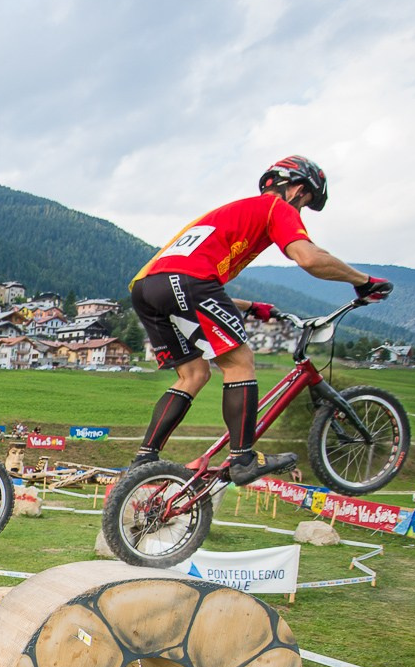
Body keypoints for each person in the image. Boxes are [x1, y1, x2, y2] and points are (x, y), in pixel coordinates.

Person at [128, 156, 392, 484]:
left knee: (193, 374)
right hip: (187, 281)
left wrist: (249, 305)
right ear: (296, 188)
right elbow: (309, 258)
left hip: (146, 286)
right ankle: (243, 459)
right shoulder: (276, 208)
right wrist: (362, 281)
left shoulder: (229, 212)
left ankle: (143, 459)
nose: (301, 212)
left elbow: (179, 279)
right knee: (240, 362)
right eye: (307, 202)